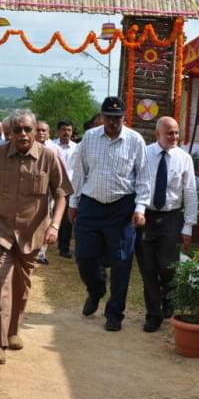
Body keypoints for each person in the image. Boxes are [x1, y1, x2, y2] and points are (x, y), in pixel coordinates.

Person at [0, 109, 71, 365]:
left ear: (35, 130)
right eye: (17, 130)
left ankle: (14, 328)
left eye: (27, 129)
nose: (23, 134)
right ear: (10, 132)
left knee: (21, 285)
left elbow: (62, 193)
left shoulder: (48, 157)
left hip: (32, 231)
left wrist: (55, 225)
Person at [68, 96, 151, 332]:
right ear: (101, 117)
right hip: (91, 205)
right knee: (84, 256)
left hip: (121, 209)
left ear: (124, 117)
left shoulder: (135, 141)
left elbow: (143, 177)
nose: (113, 122)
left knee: (121, 262)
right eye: (109, 117)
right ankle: (96, 290)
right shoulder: (90, 138)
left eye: (117, 118)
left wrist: (140, 208)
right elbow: (79, 172)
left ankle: (115, 313)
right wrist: (73, 202)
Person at [135, 116, 198, 332]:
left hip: (171, 218)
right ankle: (154, 314)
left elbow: (190, 192)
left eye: (177, 132)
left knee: (167, 267)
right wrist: (138, 211)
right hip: (146, 217)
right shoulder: (144, 154)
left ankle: (168, 298)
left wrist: (188, 226)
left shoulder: (184, 158)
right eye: (169, 133)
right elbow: (136, 184)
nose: (174, 137)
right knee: (148, 269)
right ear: (157, 134)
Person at [47, 120, 76, 258]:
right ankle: (43, 244)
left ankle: (63, 248)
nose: (66, 133)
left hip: (69, 187)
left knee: (67, 219)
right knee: (47, 214)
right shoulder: (50, 146)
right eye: (64, 129)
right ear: (58, 131)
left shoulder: (77, 148)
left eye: (69, 130)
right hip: (51, 186)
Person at [34, 120, 54, 265]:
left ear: (48, 134)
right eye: (38, 130)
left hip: (49, 192)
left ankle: (41, 253)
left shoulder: (54, 149)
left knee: (46, 220)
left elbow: (62, 170)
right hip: (30, 192)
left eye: (43, 130)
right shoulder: (27, 147)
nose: (41, 133)